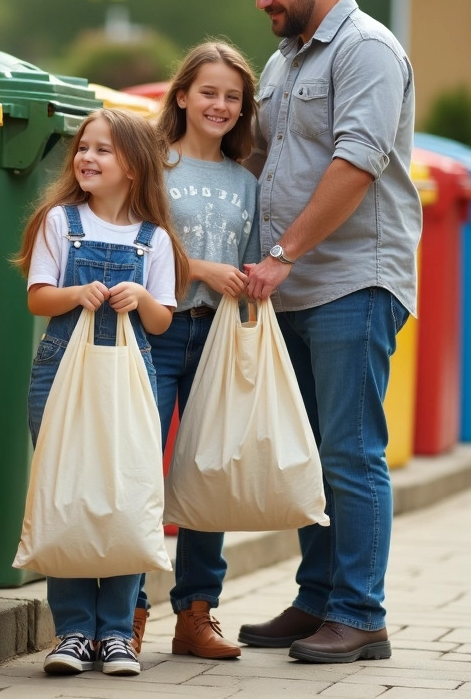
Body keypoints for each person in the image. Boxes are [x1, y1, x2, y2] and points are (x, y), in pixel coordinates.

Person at [237, 0, 422, 664]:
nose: (262, 1)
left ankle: (360, 614)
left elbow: (356, 162)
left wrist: (282, 252)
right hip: (294, 288)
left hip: (353, 280)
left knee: (349, 452)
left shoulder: (367, 50)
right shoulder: (283, 63)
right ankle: (317, 601)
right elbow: (259, 160)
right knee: (308, 456)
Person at [14, 107, 189, 677]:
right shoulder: (58, 222)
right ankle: (71, 632)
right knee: (67, 490)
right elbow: (39, 297)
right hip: (61, 372)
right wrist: (75, 295)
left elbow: (162, 321)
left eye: (102, 150)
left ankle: (116, 632)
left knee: (123, 493)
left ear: (133, 168)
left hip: (128, 378)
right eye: (83, 148)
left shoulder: (155, 239)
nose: (86, 158)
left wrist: (140, 297)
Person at [131, 40, 261, 660]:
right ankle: (127, 611)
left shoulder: (246, 181)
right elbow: (134, 242)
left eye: (232, 96)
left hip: (219, 339)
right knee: (138, 467)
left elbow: (251, 262)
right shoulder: (153, 165)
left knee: (208, 474)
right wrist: (205, 268)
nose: (220, 104)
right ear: (180, 96)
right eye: (208, 92)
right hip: (157, 332)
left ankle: (196, 615)